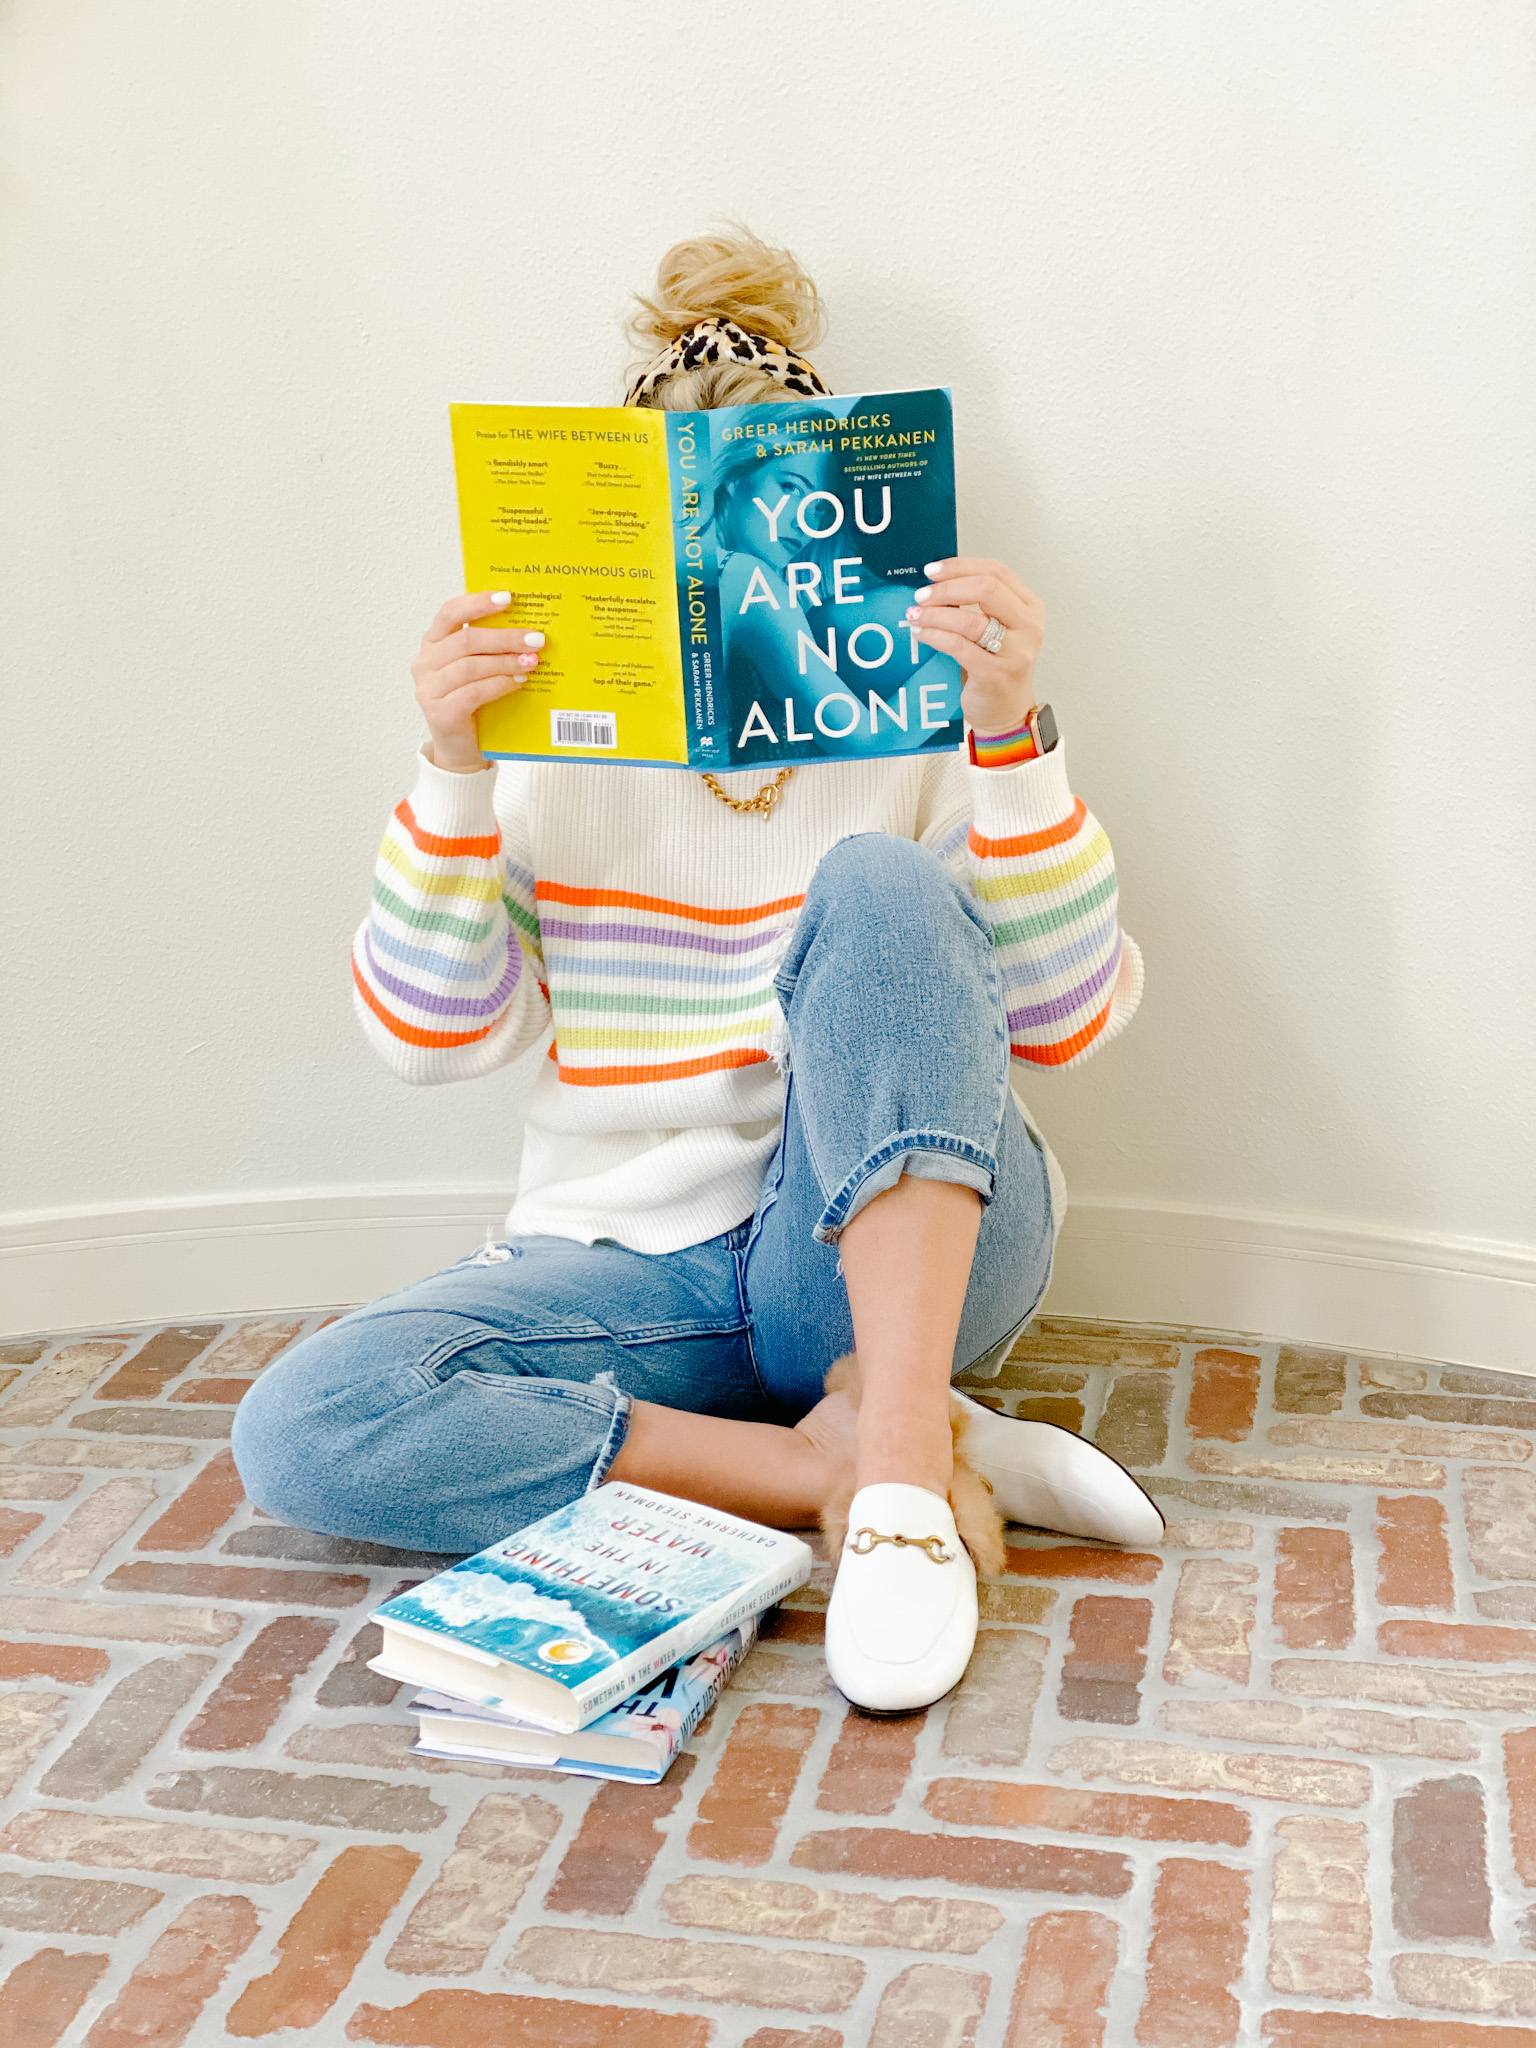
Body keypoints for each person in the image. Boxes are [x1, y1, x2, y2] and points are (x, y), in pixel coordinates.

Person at [232, 229, 1160, 1715]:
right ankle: (860, 1454)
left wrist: (1008, 739)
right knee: (303, 1424)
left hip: (883, 1238)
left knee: (879, 881)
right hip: (630, 1278)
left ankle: (897, 1451)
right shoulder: (545, 745)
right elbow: (428, 1036)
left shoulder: (909, 716)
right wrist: (455, 768)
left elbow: (1059, 1028)